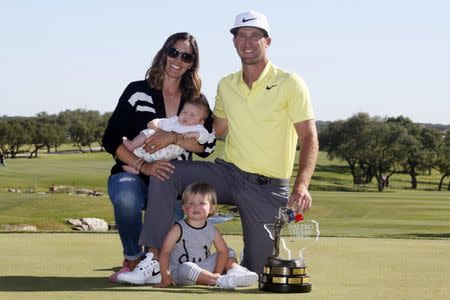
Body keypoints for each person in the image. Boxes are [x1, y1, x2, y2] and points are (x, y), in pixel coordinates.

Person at [119, 10, 319, 285]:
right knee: (167, 172)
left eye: (255, 36)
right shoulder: (227, 84)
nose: (248, 42)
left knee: (258, 273)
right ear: (234, 42)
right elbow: (214, 132)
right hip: (229, 173)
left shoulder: (290, 83)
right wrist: (173, 136)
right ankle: (154, 259)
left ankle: (218, 264)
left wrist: (302, 186)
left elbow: (309, 137)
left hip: (268, 187)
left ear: (267, 42)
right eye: (241, 36)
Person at [102, 32, 216, 283]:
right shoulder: (137, 91)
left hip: (174, 183)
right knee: (126, 194)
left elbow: (206, 147)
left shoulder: (196, 101)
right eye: (173, 52)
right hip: (134, 173)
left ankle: (151, 264)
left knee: (170, 246)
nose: (178, 60)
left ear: (192, 63)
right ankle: (132, 259)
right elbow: (110, 139)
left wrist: (173, 138)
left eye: (186, 56)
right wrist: (144, 166)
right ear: (164, 53)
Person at [118, 182, 258, 289]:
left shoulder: (211, 229)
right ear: (184, 208)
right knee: (187, 266)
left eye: (202, 203)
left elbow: (222, 251)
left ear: (212, 208)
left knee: (229, 250)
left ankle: (234, 271)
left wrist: (217, 271)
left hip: (203, 268)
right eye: (191, 203)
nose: (196, 207)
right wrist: (166, 276)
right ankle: (220, 282)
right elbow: (165, 252)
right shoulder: (178, 228)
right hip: (180, 272)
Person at [121, 98, 213, 174]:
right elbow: (163, 121)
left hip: (173, 150)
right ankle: (135, 166)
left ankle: (132, 146)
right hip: (161, 146)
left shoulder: (198, 127)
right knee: (146, 146)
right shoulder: (175, 120)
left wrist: (196, 134)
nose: (186, 116)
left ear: (201, 121)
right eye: (184, 112)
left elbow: (205, 137)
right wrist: (155, 122)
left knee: (149, 136)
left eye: (192, 115)